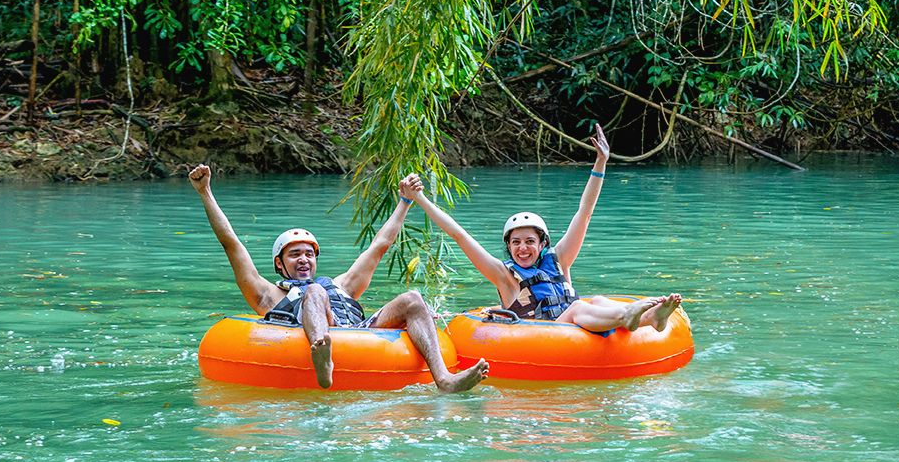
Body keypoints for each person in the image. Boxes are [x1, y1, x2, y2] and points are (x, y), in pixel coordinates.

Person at [187, 164, 488, 392]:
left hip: (359, 331)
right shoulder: (269, 296)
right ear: (279, 264)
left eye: (309, 253)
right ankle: (322, 356)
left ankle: (445, 379)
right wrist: (205, 193)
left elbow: (380, 245)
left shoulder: (343, 286)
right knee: (314, 293)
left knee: (413, 299)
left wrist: (405, 201)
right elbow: (231, 244)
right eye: (294, 255)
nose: (304, 258)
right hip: (317, 338)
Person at [403, 124, 682, 332]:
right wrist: (420, 198)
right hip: (547, 336)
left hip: (576, 327)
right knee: (578, 307)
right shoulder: (504, 275)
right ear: (508, 246)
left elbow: (584, 214)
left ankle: (650, 318)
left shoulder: (559, 260)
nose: (522, 248)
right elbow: (458, 235)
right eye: (515, 243)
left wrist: (601, 162)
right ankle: (627, 316)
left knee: (596, 299)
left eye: (529, 241)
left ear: (542, 244)